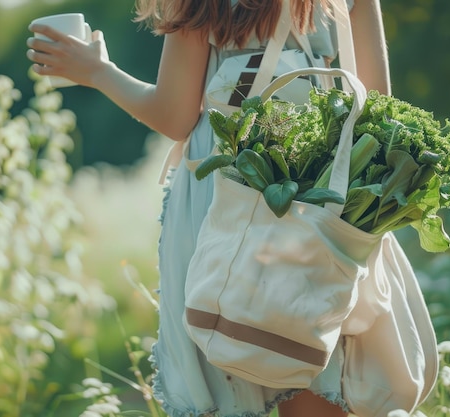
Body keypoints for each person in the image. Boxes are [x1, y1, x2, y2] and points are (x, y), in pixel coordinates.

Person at [27, 0, 390, 416]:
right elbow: (377, 106)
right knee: (308, 366)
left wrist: (97, 71)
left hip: (223, 195)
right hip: (315, 198)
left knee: (225, 367)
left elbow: (175, 114)